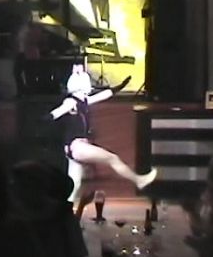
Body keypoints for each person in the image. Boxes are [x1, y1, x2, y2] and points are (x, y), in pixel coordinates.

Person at [46, 65, 157, 202]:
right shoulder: (71, 101)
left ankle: (65, 211)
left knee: (75, 187)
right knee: (112, 158)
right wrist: (47, 117)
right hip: (77, 146)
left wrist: (120, 86)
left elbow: (103, 95)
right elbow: (58, 112)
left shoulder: (84, 100)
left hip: (73, 148)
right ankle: (139, 180)